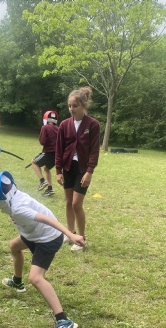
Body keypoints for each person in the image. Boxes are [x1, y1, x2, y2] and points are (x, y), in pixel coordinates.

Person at [0, 171, 85, 328]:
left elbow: (47, 219)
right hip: (32, 234)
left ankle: (64, 321)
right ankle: (17, 282)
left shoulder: (18, 208)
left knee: (36, 278)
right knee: (14, 246)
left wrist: (70, 235)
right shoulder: (11, 195)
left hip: (47, 239)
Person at [55, 87, 100, 252]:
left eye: (75, 106)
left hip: (83, 169)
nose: (71, 109)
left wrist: (89, 171)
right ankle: (70, 233)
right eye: (69, 106)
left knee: (76, 204)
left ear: (83, 105)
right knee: (68, 203)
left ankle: (81, 239)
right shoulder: (64, 124)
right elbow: (59, 149)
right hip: (68, 167)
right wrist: (58, 171)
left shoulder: (92, 124)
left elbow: (94, 150)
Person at [31, 111, 59, 196]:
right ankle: (50, 189)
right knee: (46, 169)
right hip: (56, 155)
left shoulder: (45, 127)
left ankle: (42, 181)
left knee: (33, 162)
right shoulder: (58, 128)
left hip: (48, 152)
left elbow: (42, 141)